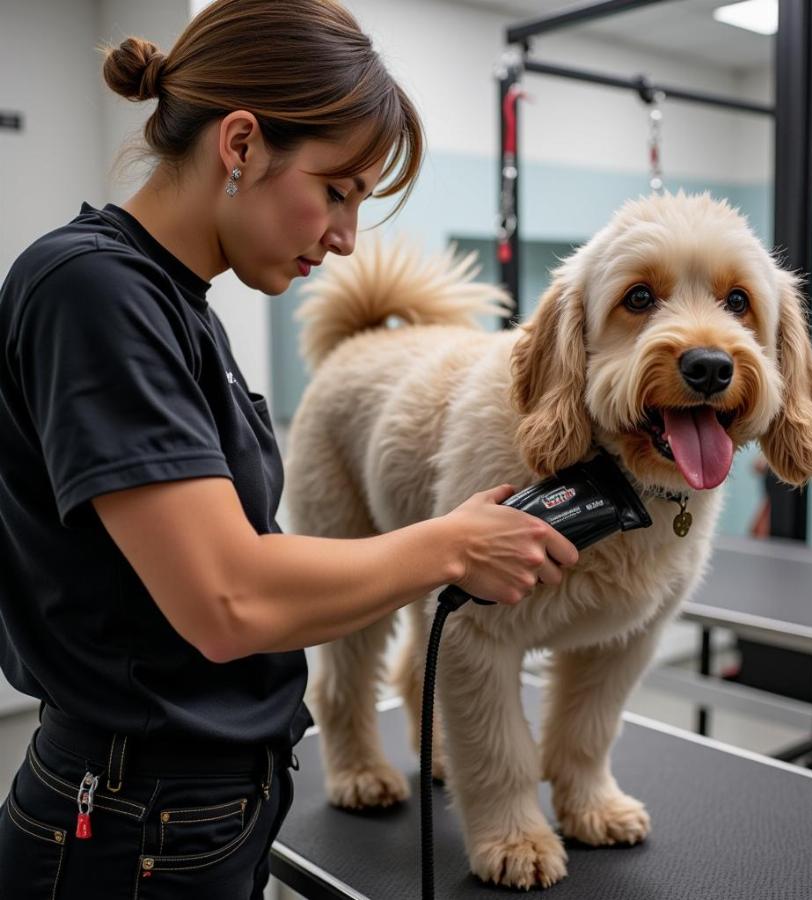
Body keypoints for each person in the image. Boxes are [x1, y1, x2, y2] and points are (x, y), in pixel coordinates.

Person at [0, 1, 578, 897]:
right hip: (130, 820)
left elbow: (246, 568)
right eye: (337, 191)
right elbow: (227, 599)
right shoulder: (94, 293)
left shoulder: (174, 304)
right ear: (239, 145)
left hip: (199, 804)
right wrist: (451, 544)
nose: (346, 237)